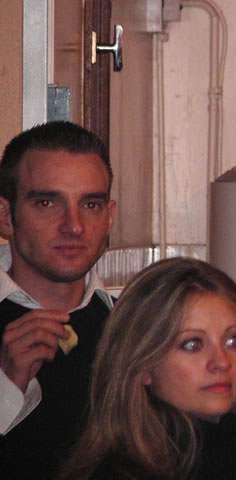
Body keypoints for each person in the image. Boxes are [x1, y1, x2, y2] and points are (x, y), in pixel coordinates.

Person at [60, 257, 236, 479]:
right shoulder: (122, 473)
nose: (221, 362)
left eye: (233, 340)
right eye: (193, 344)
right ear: (143, 363)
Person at [0, 121, 117, 477]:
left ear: (110, 218)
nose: (74, 226)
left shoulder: (136, 328)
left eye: (91, 204)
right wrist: (6, 387)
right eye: (47, 203)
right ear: (5, 216)